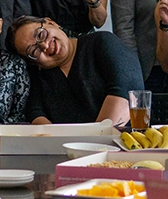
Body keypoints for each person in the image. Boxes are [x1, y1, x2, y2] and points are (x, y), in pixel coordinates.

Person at [9, 16, 143, 125]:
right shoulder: (39, 74)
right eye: (34, 51)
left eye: (41, 34)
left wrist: (91, 143)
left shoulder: (102, 42)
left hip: (123, 142)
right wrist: (55, 140)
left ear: (51, 23)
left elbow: (126, 94)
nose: (44, 45)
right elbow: (36, 112)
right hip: (66, 147)